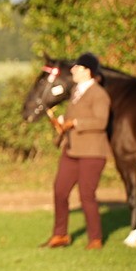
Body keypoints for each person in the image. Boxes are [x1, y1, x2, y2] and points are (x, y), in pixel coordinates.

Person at [41, 52, 111, 250]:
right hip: (71, 150)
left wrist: (75, 123)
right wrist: (63, 122)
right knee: (60, 191)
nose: (72, 70)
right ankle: (60, 235)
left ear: (87, 71)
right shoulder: (76, 91)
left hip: (92, 152)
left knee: (86, 196)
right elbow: (76, 115)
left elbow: (101, 121)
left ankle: (95, 239)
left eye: (77, 67)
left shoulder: (99, 94)